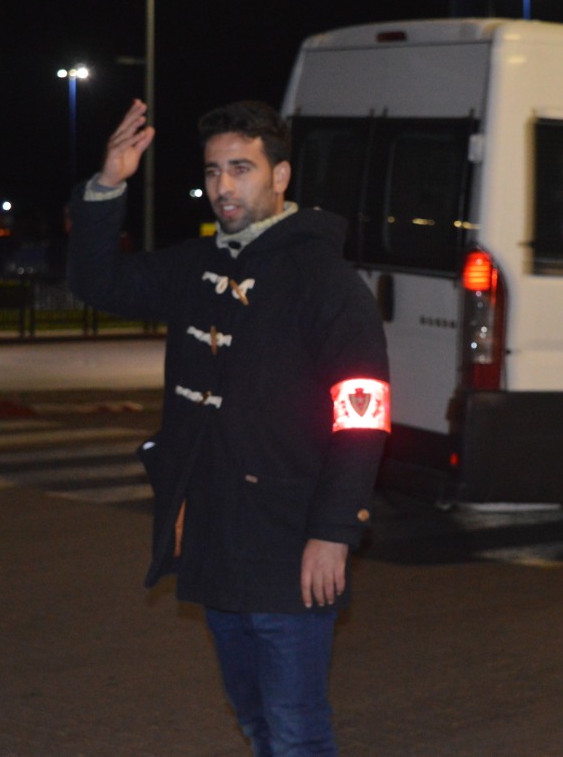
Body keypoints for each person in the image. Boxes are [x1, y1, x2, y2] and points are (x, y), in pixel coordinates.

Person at [67, 99, 390, 756]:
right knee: (254, 720)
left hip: (291, 541)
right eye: (214, 171)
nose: (224, 186)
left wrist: (334, 531)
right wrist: (108, 185)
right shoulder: (197, 266)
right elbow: (97, 282)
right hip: (214, 536)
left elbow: (363, 410)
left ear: (280, 176)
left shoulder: (326, 281)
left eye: (241, 168)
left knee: (296, 730)